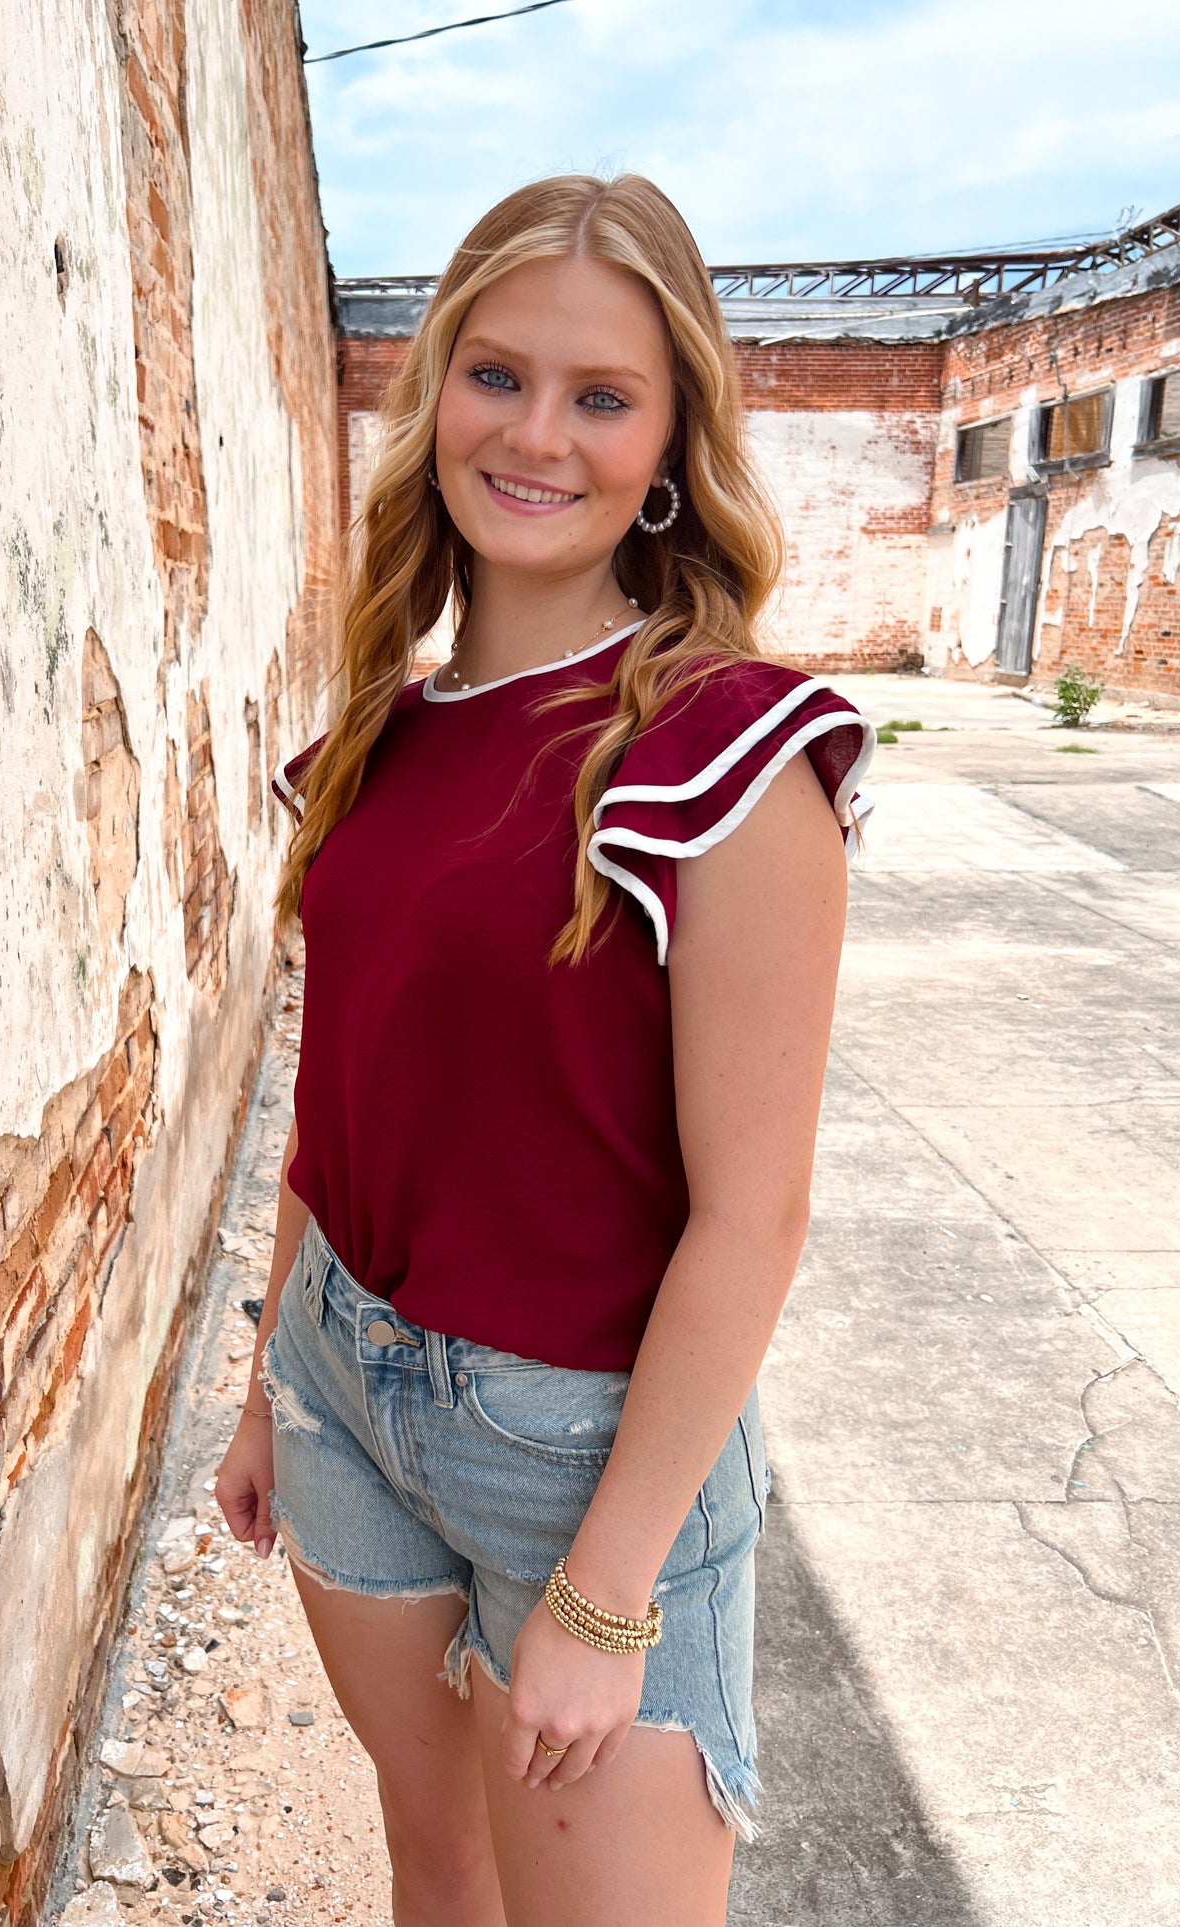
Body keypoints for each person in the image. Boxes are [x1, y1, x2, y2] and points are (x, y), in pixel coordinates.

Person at [215, 172, 874, 1927]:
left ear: (668, 448)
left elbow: (753, 1218)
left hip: (577, 1443)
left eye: (600, 397)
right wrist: (270, 1376)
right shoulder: (377, 739)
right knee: (438, 1875)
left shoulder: (726, 753)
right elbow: (331, 1093)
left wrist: (604, 1598)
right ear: (433, 396)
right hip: (343, 1379)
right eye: (495, 375)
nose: (534, 434)